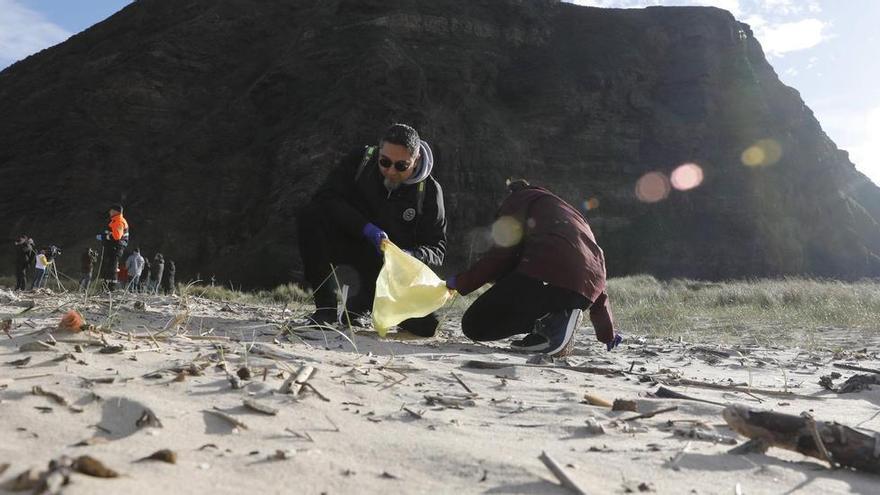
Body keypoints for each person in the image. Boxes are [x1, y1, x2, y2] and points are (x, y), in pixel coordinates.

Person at [297, 123, 447, 336]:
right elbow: (326, 198)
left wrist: (410, 256)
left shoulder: (429, 192)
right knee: (310, 216)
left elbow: (437, 249)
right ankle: (326, 309)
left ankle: (359, 307)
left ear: (416, 160)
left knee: (427, 326)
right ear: (378, 152)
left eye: (401, 166)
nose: (391, 171)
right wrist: (366, 229)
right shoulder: (361, 160)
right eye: (384, 162)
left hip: (386, 268)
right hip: (350, 242)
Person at [446, 180, 622, 357]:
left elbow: (500, 256)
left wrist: (460, 282)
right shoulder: (569, 213)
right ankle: (552, 323)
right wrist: (607, 333)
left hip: (549, 276)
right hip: (583, 293)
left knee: (474, 325)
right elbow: (590, 271)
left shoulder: (517, 201)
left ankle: (556, 322)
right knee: (526, 287)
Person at [95, 204, 129, 291]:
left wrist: (104, 237)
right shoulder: (114, 221)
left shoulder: (118, 221)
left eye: (111, 210)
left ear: (116, 211)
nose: (109, 212)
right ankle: (106, 287)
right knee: (108, 267)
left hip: (115, 247)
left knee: (111, 267)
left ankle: (110, 289)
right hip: (113, 247)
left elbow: (117, 236)